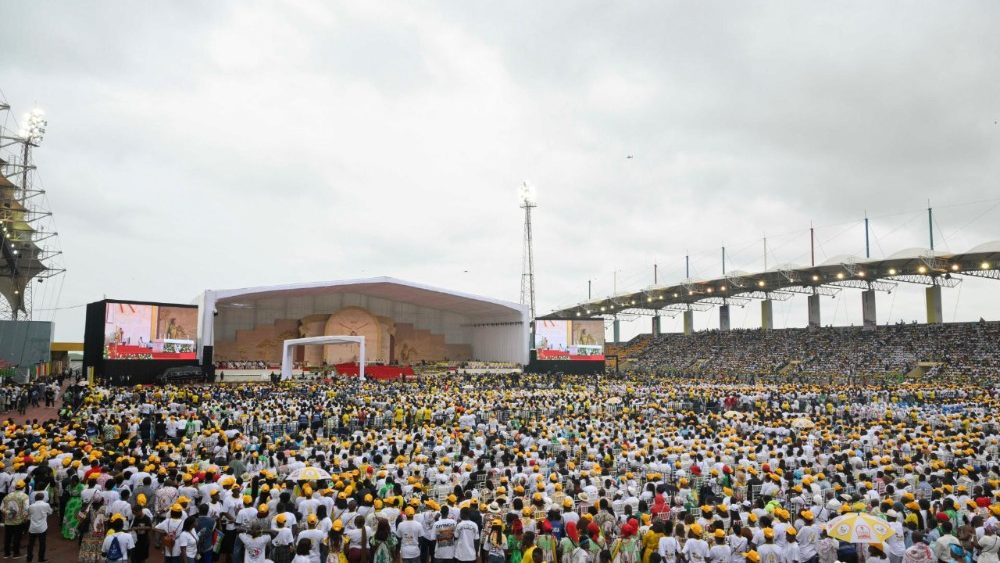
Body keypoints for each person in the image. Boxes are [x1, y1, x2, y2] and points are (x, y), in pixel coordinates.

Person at [2, 479, 30, 559]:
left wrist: (8, 513)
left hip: (8, 521)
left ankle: (6, 554)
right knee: (17, 537)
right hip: (19, 521)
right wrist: (25, 518)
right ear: (23, 487)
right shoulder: (25, 496)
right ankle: (16, 554)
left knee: (7, 537)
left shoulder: (8, 496)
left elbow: (1, 508)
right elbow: (26, 509)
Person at [26, 491, 52, 563]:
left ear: (35, 498)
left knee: (30, 544)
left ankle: (29, 558)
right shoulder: (46, 505)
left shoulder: (31, 506)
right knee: (42, 544)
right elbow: (50, 512)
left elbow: (28, 514)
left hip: (33, 528)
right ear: (43, 498)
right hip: (42, 528)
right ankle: (41, 558)